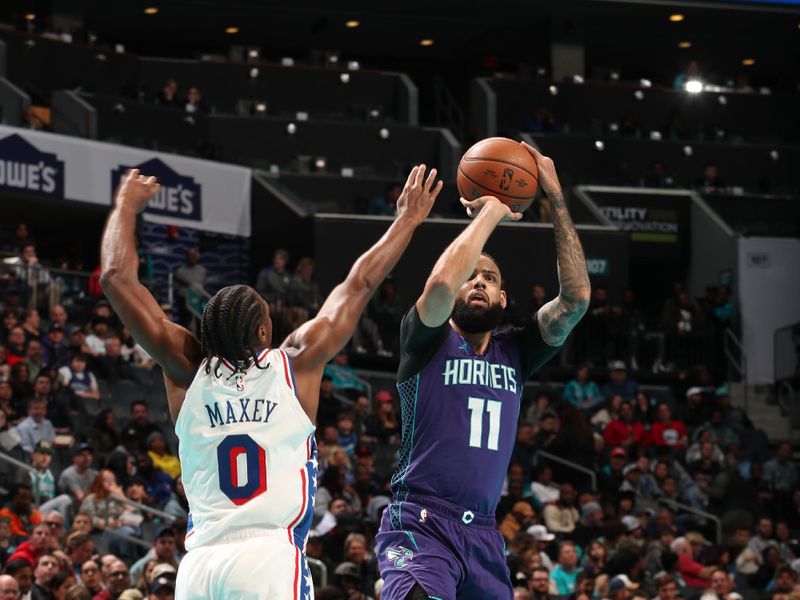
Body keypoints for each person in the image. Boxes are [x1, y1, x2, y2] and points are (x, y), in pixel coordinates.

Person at [99, 166, 441, 599]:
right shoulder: (295, 366)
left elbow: (115, 278)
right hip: (267, 560)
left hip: (200, 565)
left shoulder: (186, 370)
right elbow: (359, 284)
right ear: (263, 333)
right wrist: (407, 219)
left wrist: (126, 204)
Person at [376, 145, 590, 600]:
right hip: (420, 520)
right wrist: (492, 210)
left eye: (489, 278)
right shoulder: (425, 340)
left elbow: (576, 301)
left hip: (485, 535)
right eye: (470, 275)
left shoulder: (517, 351)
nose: (478, 282)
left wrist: (554, 196)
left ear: (503, 298)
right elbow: (438, 285)